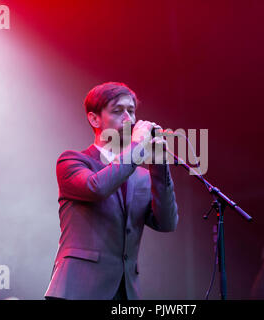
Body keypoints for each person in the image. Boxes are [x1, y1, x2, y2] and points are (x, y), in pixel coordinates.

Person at [44, 82, 179, 300]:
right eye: (118, 111)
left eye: (132, 111)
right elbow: (97, 187)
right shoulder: (73, 161)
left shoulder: (142, 176)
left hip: (125, 292)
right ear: (94, 118)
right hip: (78, 289)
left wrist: (159, 163)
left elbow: (167, 223)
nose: (129, 118)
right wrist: (136, 147)